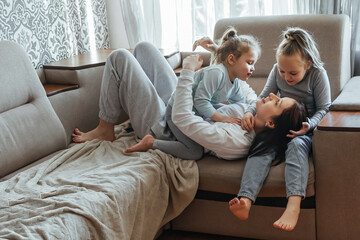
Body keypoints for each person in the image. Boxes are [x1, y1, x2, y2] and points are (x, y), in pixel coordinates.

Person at [72, 41, 306, 165]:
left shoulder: (235, 141)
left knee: (118, 57)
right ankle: (130, 102)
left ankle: (106, 129)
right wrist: (220, 54)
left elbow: (183, 119)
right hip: (179, 108)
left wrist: (188, 72)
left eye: (277, 102)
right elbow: (246, 92)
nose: (272, 95)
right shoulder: (252, 119)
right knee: (144, 48)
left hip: (165, 128)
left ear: (272, 124)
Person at [227, 27, 331, 231]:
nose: (286, 77)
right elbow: (261, 96)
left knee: (296, 145)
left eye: (293, 73)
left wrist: (309, 125)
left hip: (304, 130)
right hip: (279, 125)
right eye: (282, 72)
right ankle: (246, 200)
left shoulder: (318, 75)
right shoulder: (277, 70)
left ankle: (293, 205)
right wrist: (249, 112)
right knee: (262, 148)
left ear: (308, 64)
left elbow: (325, 108)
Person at [125, 27, 261, 160]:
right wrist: (221, 118)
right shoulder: (217, 74)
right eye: (249, 63)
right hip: (176, 111)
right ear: (231, 59)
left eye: (254, 64)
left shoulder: (236, 82)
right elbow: (200, 102)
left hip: (197, 111)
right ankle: (152, 143)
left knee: (217, 109)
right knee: (194, 152)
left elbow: (240, 103)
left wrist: (246, 115)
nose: (253, 68)